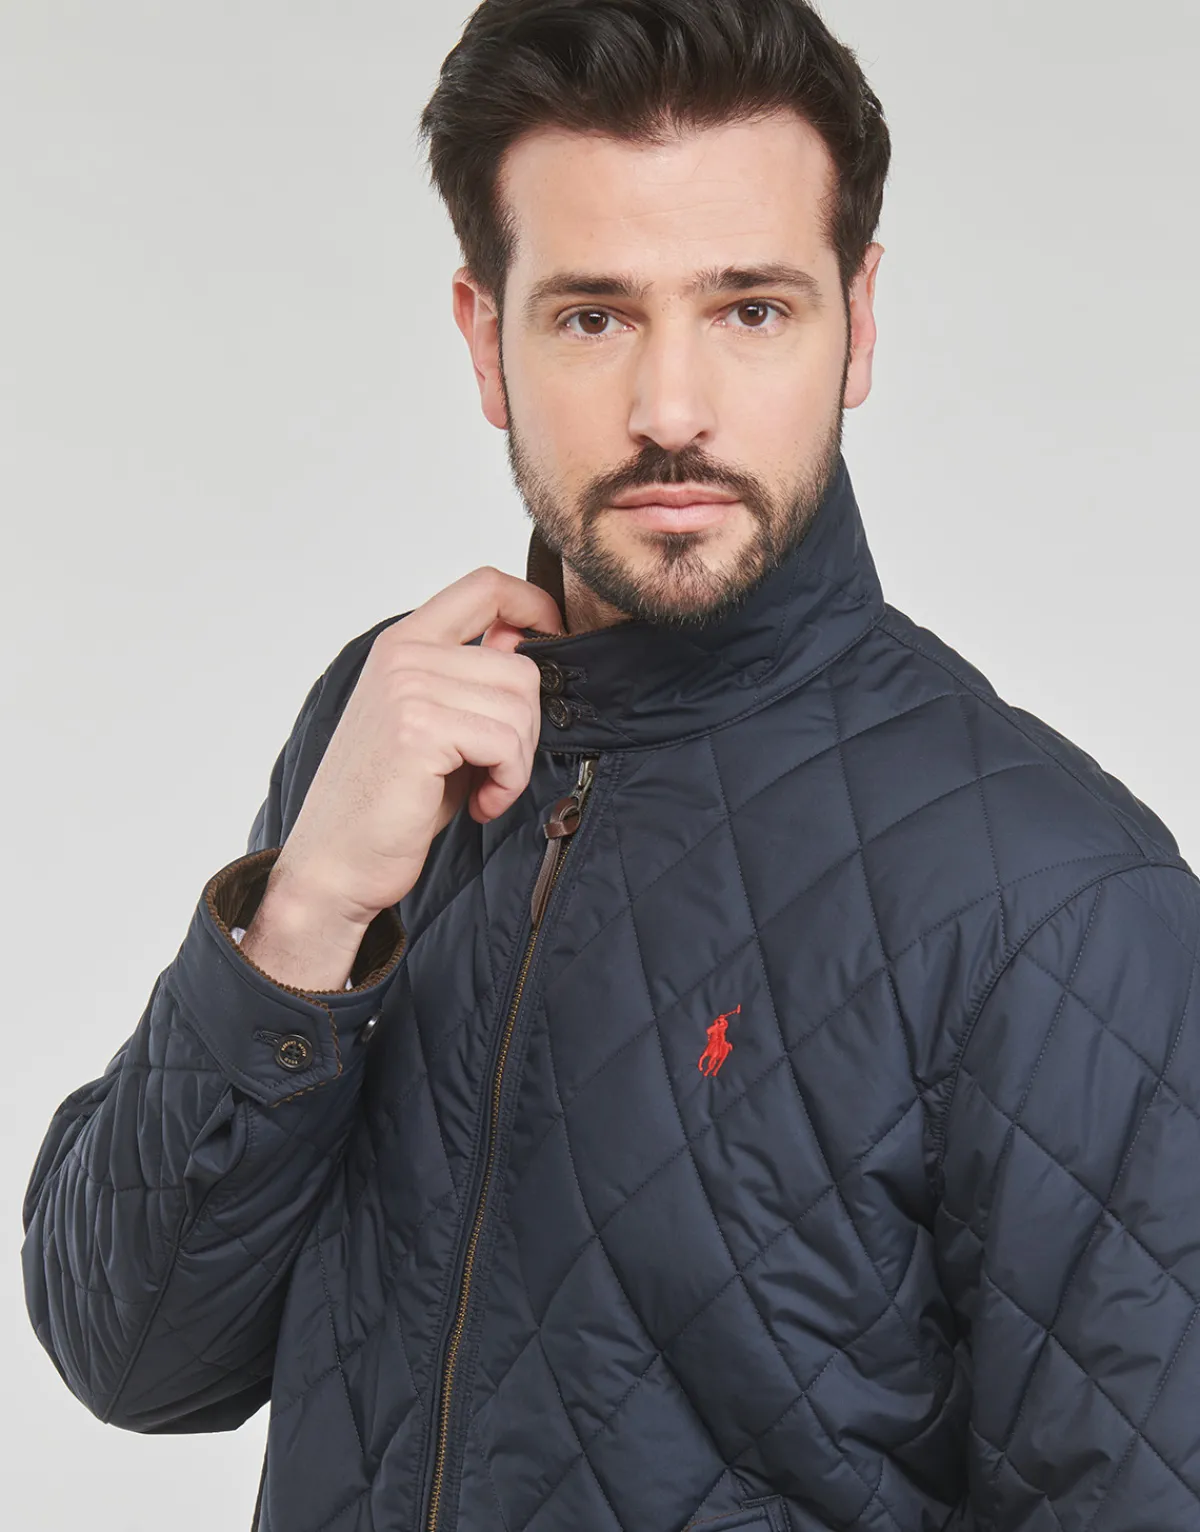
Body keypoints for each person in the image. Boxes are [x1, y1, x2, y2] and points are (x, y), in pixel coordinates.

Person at [22, 2, 1200, 1529]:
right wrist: (306, 912)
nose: (670, 412)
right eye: (593, 317)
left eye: (751, 310)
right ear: (485, 340)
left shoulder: (1061, 900)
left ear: (859, 320)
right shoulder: (386, 737)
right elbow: (134, 1358)